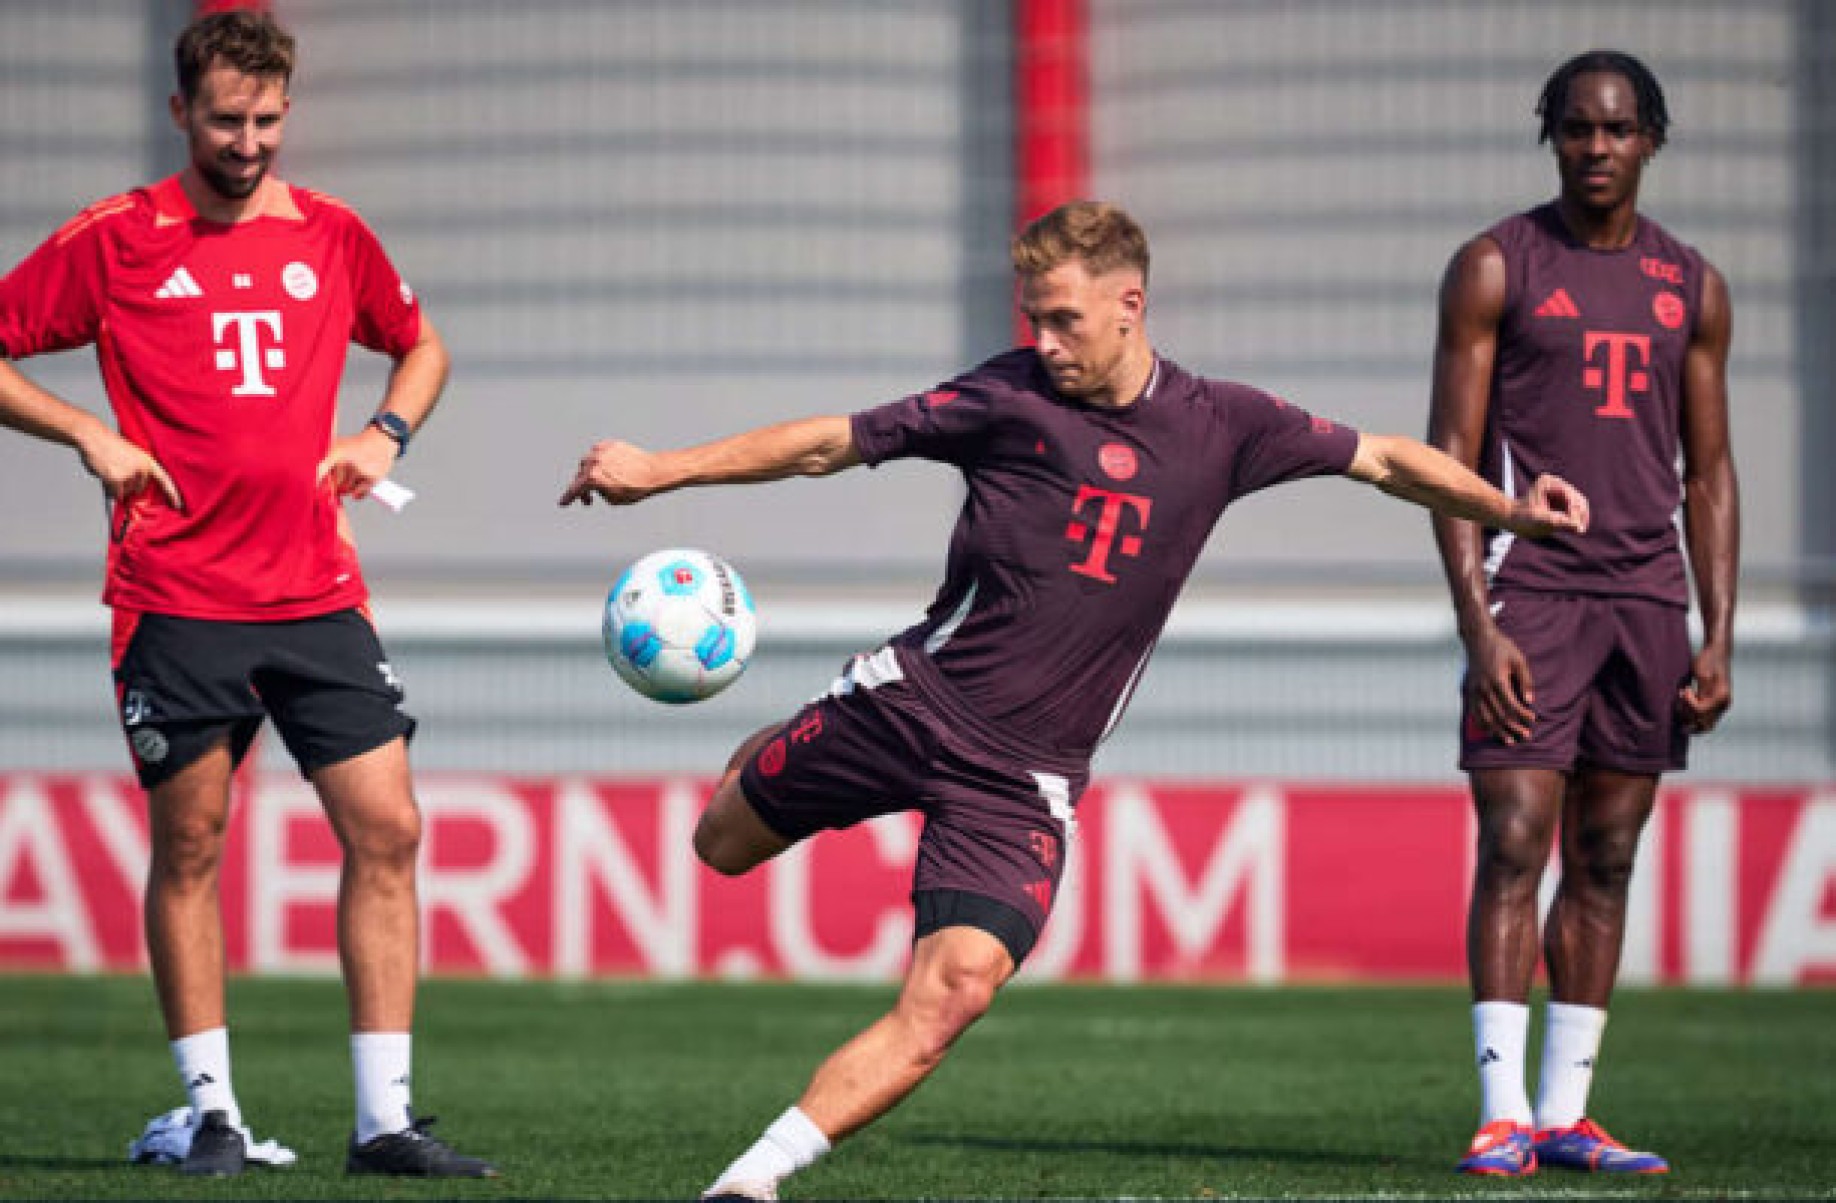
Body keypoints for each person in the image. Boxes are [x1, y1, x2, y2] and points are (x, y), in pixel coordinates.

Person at [561, 199, 1590, 1202]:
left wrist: (1510, 511)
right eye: (1034, 320)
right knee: (720, 846)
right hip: (907, 704)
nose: (1045, 342)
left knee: (954, 993)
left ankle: (753, 1179)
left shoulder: (1225, 425)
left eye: (1065, 319)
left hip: (1025, 780)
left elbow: (1383, 460)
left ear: (1131, 304)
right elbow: (832, 441)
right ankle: (795, 736)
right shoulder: (1004, 398)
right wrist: (662, 471)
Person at [0, 9, 494, 1179]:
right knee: (193, 843)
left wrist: (385, 433)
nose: (248, 139)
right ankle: (211, 1114)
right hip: (176, 595)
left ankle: (384, 1122)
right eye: (226, 118)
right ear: (181, 113)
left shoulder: (332, 235)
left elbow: (422, 346)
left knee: (391, 829)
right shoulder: (116, 238)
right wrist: (87, 433)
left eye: (267, 118)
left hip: (318, 592)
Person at [1429, 50, 1738, 1177]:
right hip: (1536, 593)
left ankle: (1566, 1115)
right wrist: (1480, 624)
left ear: (1652, 138)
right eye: (1575, 130)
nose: (1596, 148)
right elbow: (1449, 464)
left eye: (1616, 130)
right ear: (1550, 137)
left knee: (1606, 853)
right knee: (1514, 837)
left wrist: (1721, 631)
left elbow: (1709, 471)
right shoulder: (1494, 268)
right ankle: (1501, 1112)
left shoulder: (1693, 286)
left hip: (1648, 603)